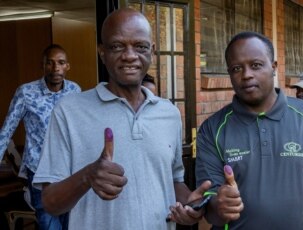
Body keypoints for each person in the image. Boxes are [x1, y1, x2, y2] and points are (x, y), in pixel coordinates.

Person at [32, 9, 210, 230]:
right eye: (117, 46)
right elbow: (50, 203)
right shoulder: (69, 111)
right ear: (102, 52)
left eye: (140, 46)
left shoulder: (169, 113)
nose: (129, 55)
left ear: (152, 52)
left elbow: (172, 182)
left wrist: (192, 204)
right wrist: (87, 176)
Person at [195, 31, 303, 230]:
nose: (246, 75)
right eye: (236, 68)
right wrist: (217, 205)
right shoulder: (212, 129)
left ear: (274, 67)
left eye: (256, 65)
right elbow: (209, 209)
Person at [0, 44, 81, 230]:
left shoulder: (75, 91)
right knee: (48, 223)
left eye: (61, 63)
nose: (55, 68)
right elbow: (7, 130)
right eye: (50, 63)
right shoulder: (26, 92)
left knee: (71, 222)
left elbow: (79, 129)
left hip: (68, 168)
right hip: (39, 169)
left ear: (67, 66)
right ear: (43, 66)